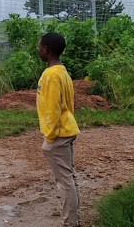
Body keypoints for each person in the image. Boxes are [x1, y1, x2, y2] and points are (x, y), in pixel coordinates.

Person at [37, 32, 80, 227]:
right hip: (67, 129)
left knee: (65, 180)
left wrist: (50, 136)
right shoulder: (62, 71)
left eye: (40, 46)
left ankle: (70, 222)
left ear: (47, 49)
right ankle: (73, 219)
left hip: (59, 134)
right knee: (69, 177)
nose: (38, 49)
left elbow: (53, 108)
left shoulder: (51, 75)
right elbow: (68, 104)